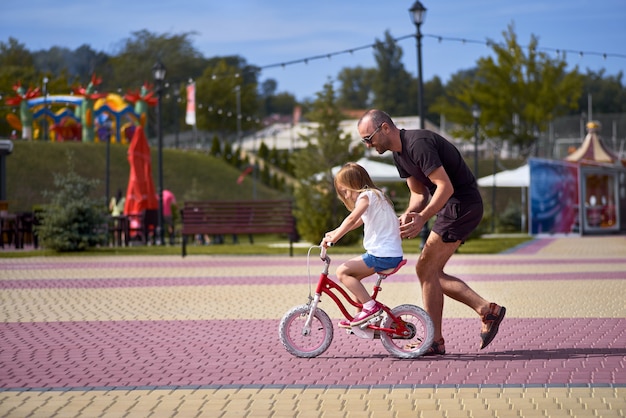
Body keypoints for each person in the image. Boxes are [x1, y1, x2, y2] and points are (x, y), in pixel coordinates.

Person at [356, 109, 506, 355]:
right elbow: (419, 194)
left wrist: (423, 218)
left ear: (385, 128)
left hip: (462, 205)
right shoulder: (399, 154)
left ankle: (442, 336)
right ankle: (481, 313)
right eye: (364, 140)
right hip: (453, 206)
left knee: (426, 269)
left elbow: (445, 186)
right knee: (430, 272)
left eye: (368, 138)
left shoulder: (419, 143)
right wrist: (408, 215)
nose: (368, 144)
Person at [321, 162, 403, 327]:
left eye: (345, 190)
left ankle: (370, 308)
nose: (346, 195)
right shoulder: (377, 195)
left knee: (342, 272)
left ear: (354, 185)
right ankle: (360, 318)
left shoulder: (366, 196)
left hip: (382, 255)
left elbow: (351, 219)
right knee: (354, 277)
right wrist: (334, 231)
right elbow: (358, 221)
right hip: (388, 254)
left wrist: (334, 239)